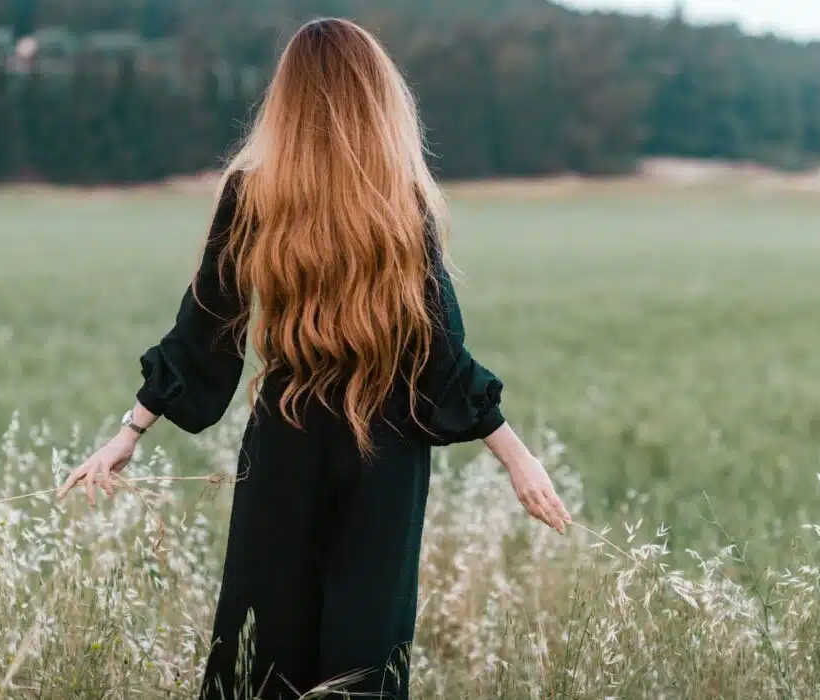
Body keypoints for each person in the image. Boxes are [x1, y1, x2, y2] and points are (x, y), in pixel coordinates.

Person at [57, 17, 572, 700]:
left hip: (284, 441)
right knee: (364, 656)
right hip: (386, 449)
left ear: (288, 99)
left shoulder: (253, 193)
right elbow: (440, 356)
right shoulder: (401, 203)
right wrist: (516, 456)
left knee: (264, 653)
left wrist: (130, 432)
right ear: (377, 97)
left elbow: (205, 331)